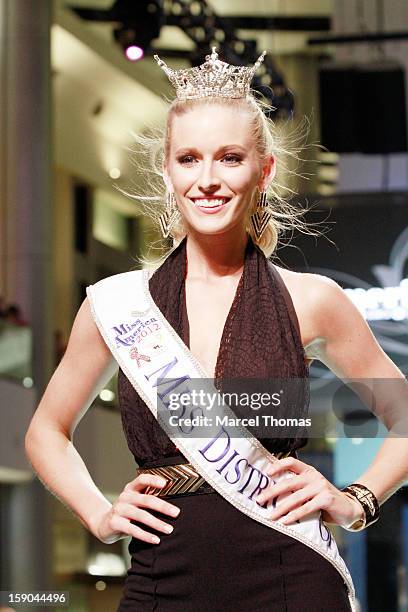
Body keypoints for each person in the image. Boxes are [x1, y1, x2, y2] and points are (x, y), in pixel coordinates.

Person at [25, 48, 408, 612]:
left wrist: (356, 501)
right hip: (162, 578)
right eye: (188, 159)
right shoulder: (117, 305)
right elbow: (45, 431)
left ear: (264, 169)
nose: (207, 179)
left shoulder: (311, 300)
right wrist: (100, 515)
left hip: (290, 575)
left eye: (229, 158)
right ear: (167, 169)